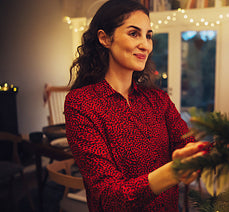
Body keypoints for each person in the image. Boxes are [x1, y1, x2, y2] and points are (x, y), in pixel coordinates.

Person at [64, 0, 208, 211]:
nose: (146, 45)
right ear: (104, 38)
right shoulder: (82, 103)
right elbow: (109, 196)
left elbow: (189, 144)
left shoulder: (158, 99)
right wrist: (172, 172)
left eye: (148, 35)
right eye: (134, 33)